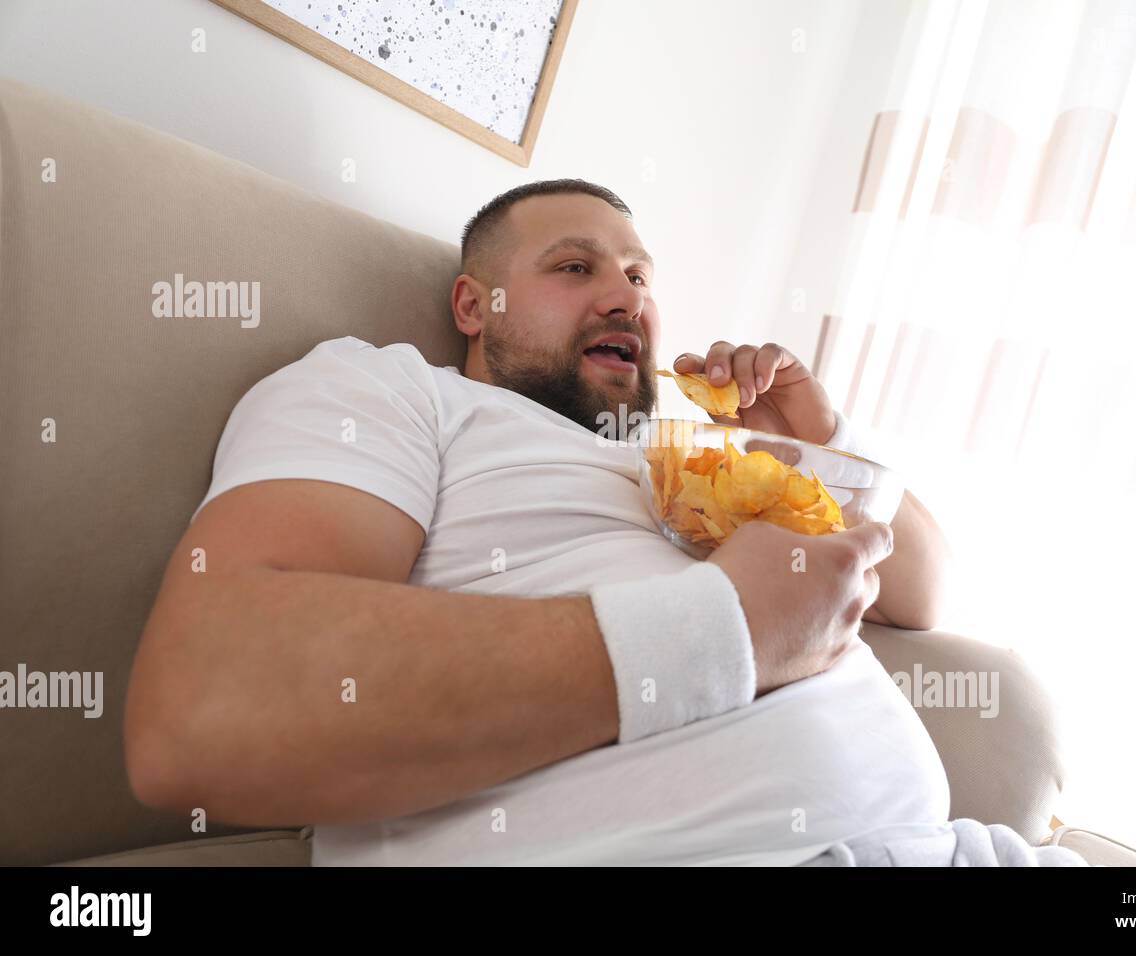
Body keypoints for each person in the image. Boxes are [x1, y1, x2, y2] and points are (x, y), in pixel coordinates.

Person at [123, 178, 1024, 867]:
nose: (625, 297)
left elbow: (925, 593)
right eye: (574, 267)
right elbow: (204, 706)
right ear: (475, 306)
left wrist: (820, 442)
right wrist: (729, 630)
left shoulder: (688, 457)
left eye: (638, 276)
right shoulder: (391, 392)